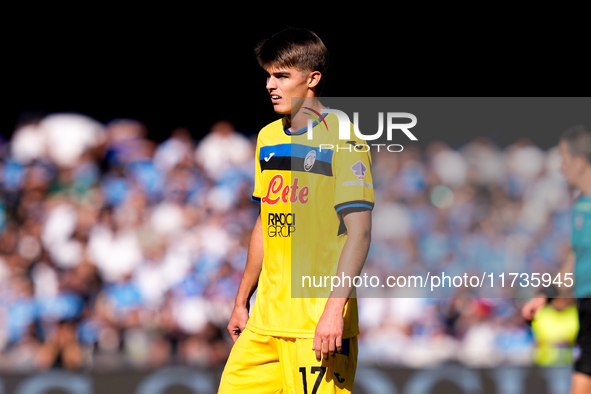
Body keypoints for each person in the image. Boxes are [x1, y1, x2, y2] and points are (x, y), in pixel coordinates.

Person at [218, 28, 374, 393]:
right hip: (265, 322)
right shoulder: (268, 137)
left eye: (282, 76)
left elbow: (360, 233)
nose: (270, 85)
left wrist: (334, 312)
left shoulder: (344, 138)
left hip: (316, 324)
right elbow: (266, 223)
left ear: (312, 79)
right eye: (268, 75)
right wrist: (243, 300)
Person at [522, 125, 591, 394]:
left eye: (564, 161)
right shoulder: (581, 206)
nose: (561, 169)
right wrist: (546, 294)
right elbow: (576, 256)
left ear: (579, 162)